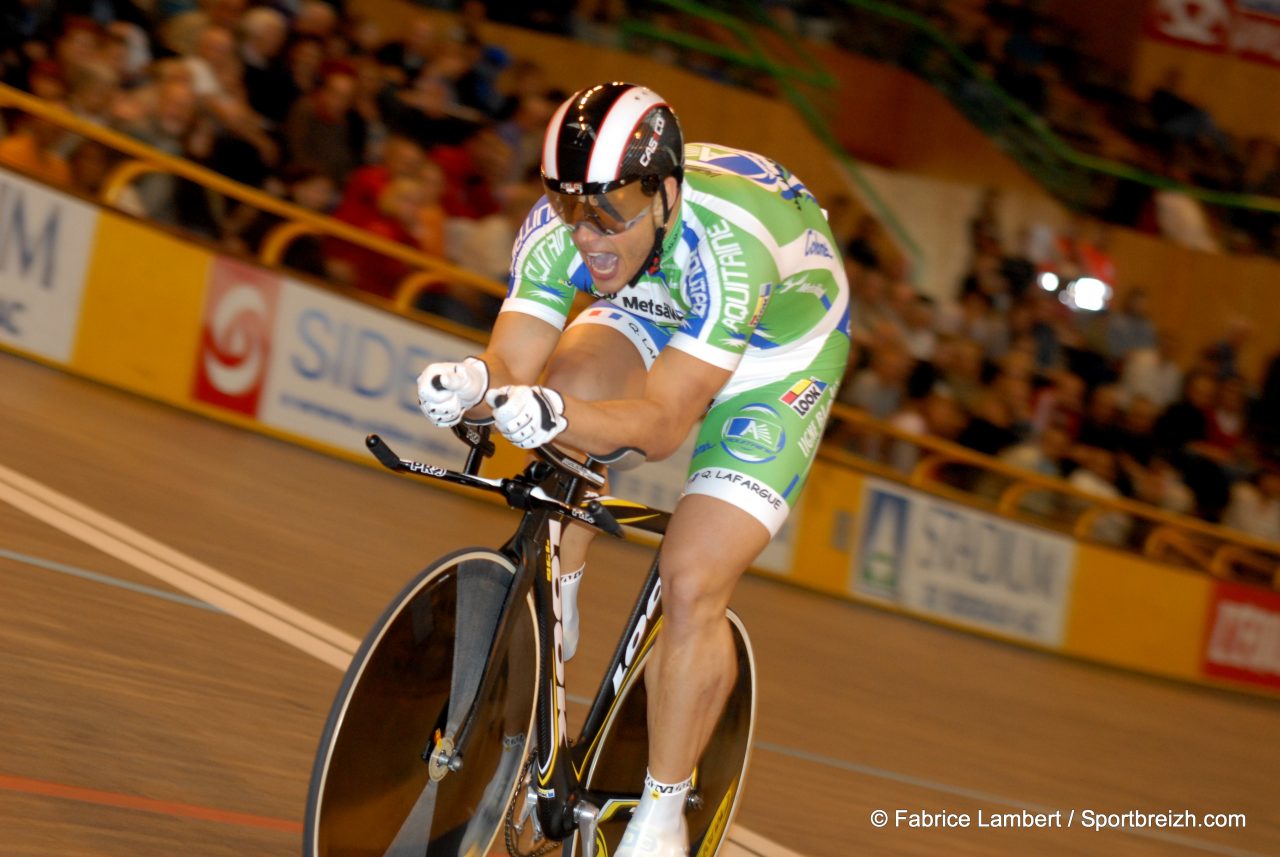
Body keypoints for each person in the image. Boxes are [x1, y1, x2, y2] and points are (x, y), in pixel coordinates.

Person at [415, 82, 850, 856]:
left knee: (691, 579)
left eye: (610, 210)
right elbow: (512, 360)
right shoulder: (568, 226)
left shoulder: (730, 249)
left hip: (776, 351)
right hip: (655, 299)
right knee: (569, 385)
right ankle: (563, 594)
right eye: (569, 205)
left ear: (666, 193)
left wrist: (550, 414)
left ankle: (662, 808)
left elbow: (661, 425)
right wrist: (476, 385)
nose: (587, 235)